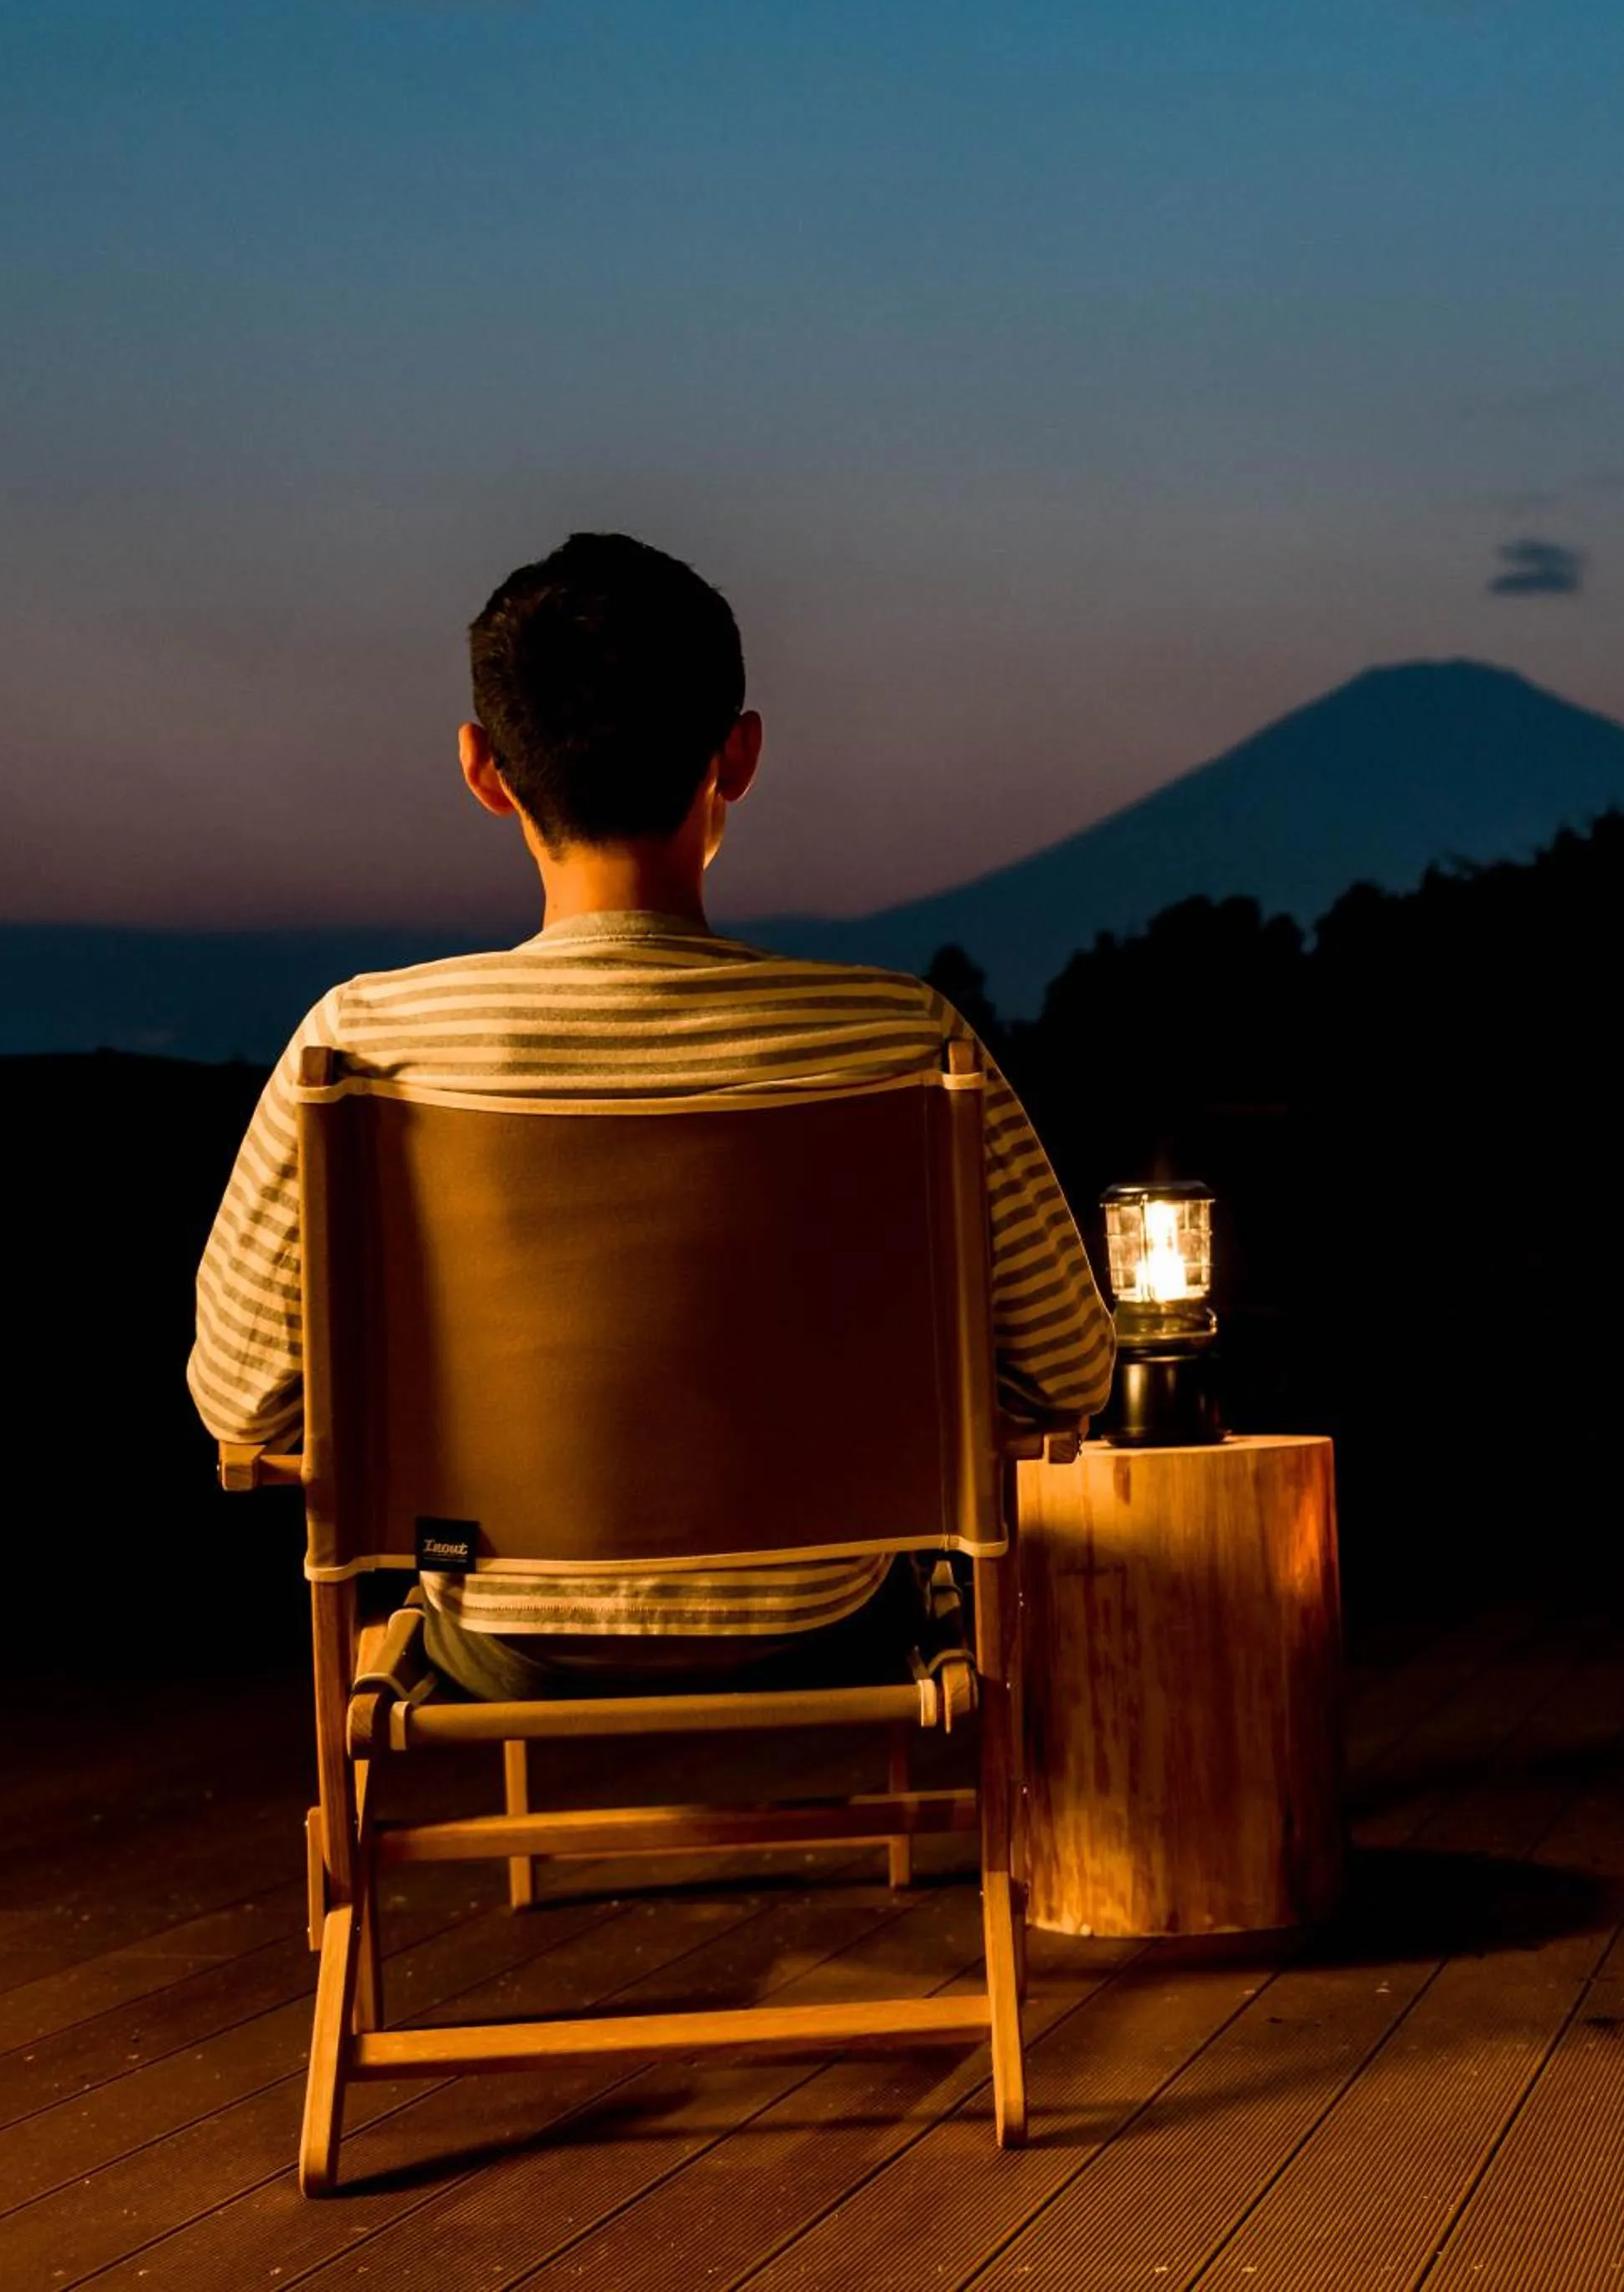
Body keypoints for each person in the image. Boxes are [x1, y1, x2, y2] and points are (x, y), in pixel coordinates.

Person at [187, 531, 1113, 1697]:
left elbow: (240, 1396)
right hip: (822, 1613)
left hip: (507, 1628)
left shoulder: (360, 1046)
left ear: (483, 769)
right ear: (740, 756)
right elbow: (1072, 1367)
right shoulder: (904, 1040)